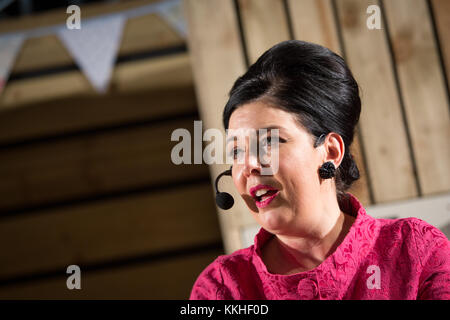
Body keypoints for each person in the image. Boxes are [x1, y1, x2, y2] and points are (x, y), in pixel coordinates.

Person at [189, 40, 450, 300]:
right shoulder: (222, 288)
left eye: (269, 142)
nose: (249, 165)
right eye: (236, 151)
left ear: (331, 151)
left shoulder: (416, 251)